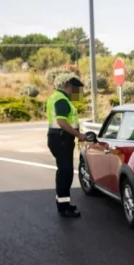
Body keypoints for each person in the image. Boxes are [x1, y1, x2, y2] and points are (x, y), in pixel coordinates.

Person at [46, 76, 86, 217]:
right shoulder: (62, 100)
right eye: (77, 91)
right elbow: (62, 122)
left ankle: (62, 203)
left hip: (58, 138)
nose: (78, 95)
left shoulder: (56, 97)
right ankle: (64, 207)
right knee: (66, 173)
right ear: (69, 87)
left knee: (63, 172)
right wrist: (79, 135)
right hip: (61, 139)